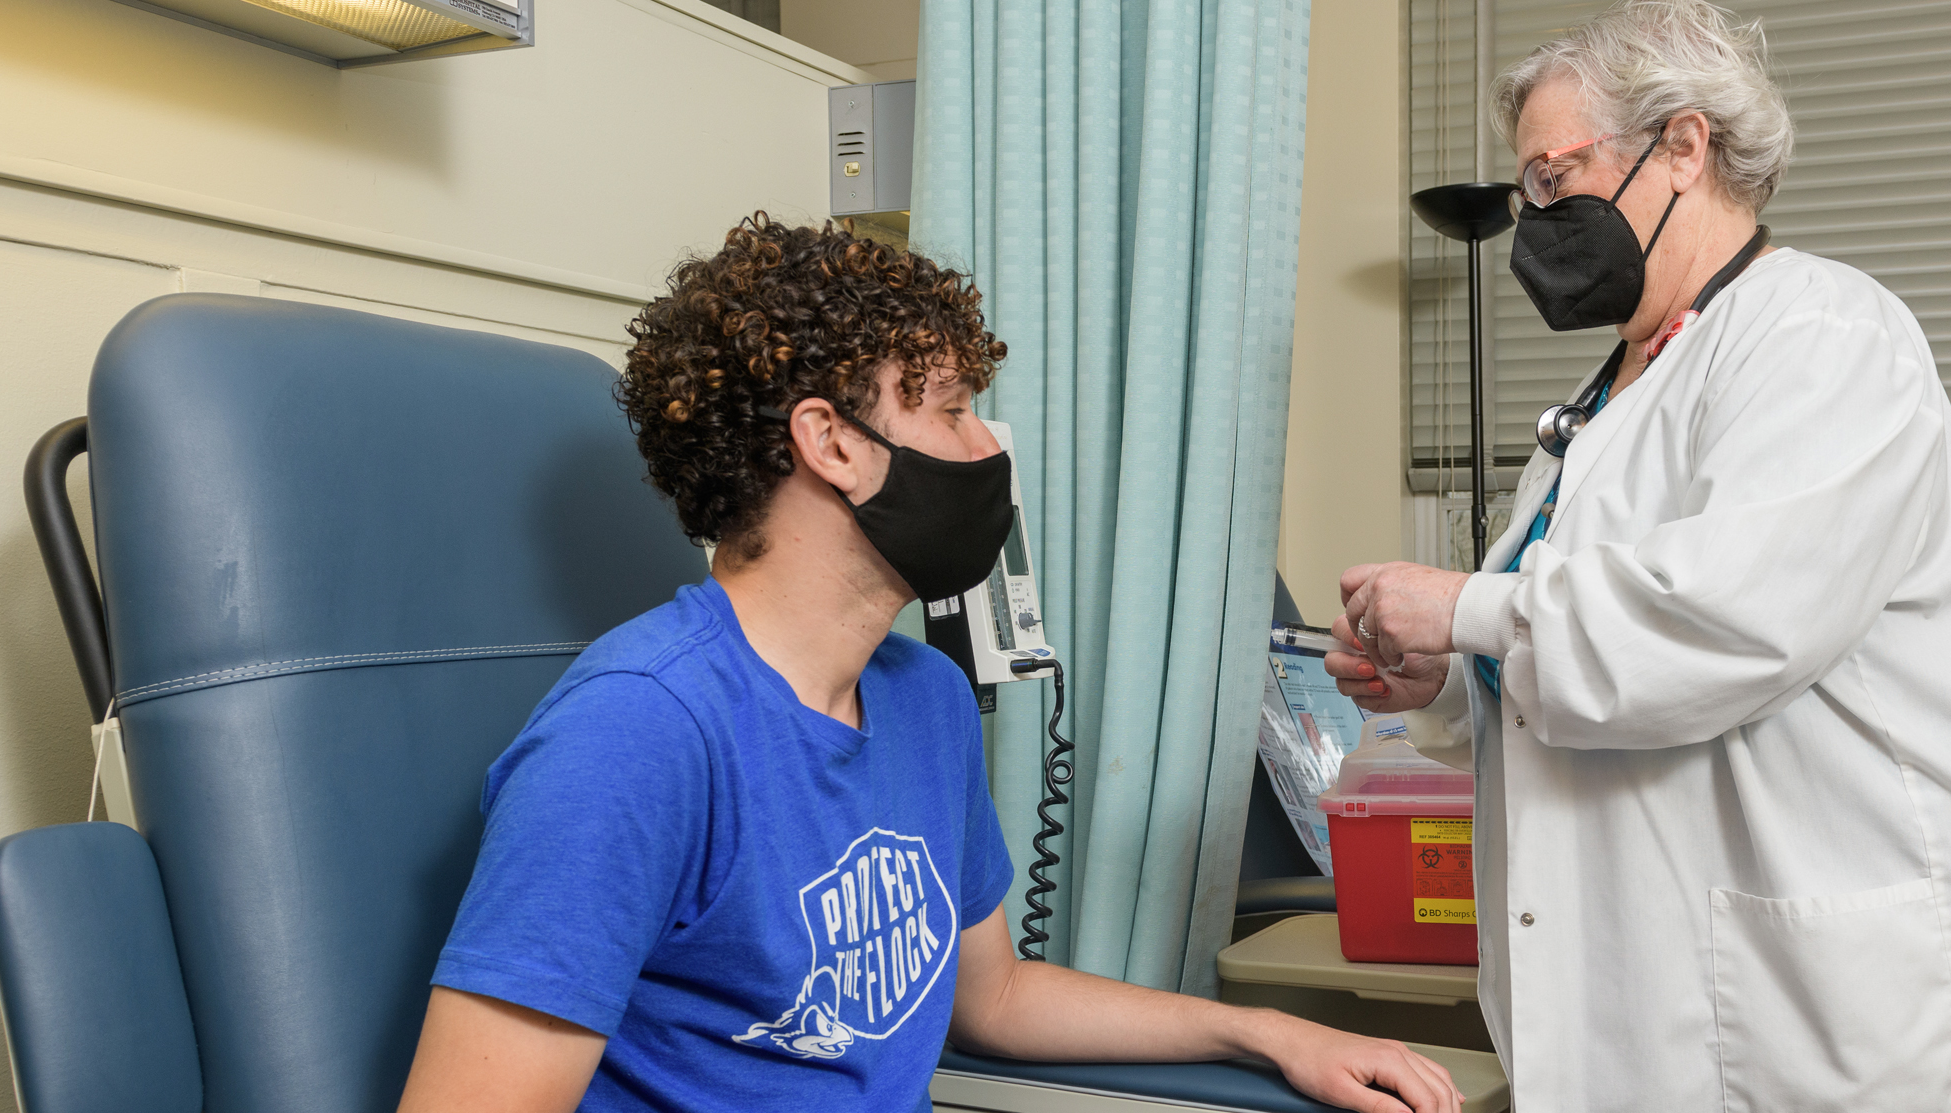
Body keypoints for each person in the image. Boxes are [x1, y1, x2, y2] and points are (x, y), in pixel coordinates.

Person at [394, 216, 1463, 1113]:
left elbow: (991, 996)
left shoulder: (922, 698)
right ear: (835, 444)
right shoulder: (637, 733)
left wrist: (1268, 1035)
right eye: (949, 408)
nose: (986, 448)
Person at [1327, 2, 1951, 1110]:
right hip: (1665, 985)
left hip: (1845, 1004)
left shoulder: (1821, 336)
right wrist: (1441, 682)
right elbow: (1568, 663)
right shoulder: (1612, 396)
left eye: (1553, 177)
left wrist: (1468, 612)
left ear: (1683, 147)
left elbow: (1719, 625)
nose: (1537, 217)